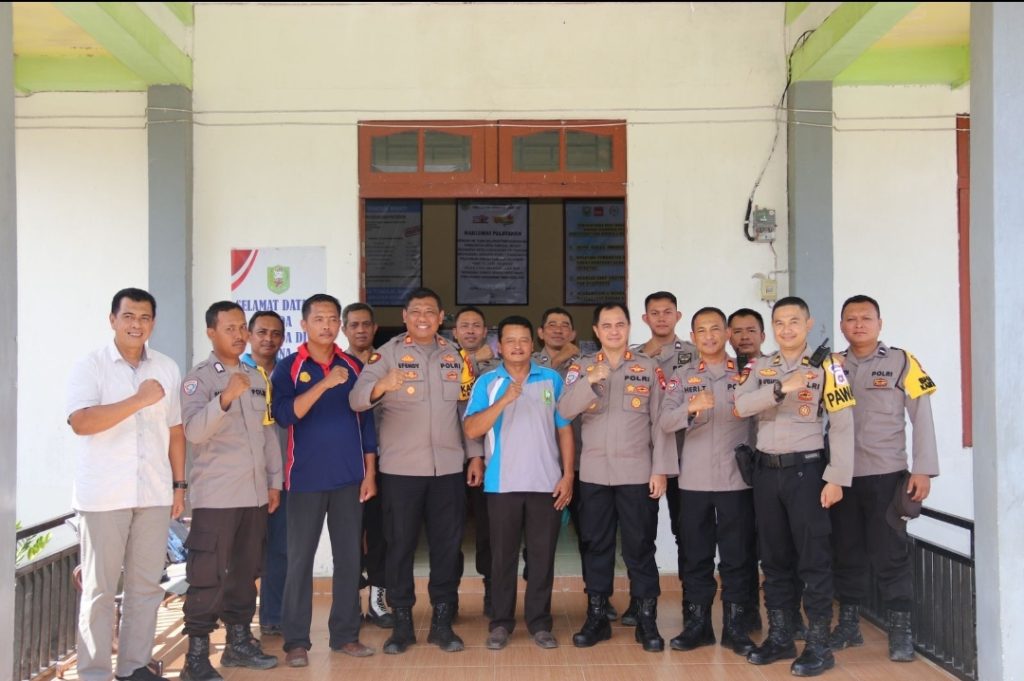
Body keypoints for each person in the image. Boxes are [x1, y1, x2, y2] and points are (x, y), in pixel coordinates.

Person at [350, 288, 483, 655]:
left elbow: (466, 410)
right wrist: (381, 384)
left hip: (448, 471)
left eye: (430, 312)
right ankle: (402, 624)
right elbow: (356, 400)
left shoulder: (456, 356)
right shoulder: (386, 354)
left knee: (447, 547)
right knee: (399, 547)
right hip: (401, 472)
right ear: (405, 316)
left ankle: (442, 622)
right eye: (416, 311)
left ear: (441, 318)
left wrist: (474, 455)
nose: (423, 317)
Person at [66, 288, 186, 681]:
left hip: (153, 492)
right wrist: (137, 400)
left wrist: (179, 486)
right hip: (104, 496)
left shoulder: (166, 366)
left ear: (153, 322)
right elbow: (81, 422)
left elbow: (175, 431)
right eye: (129, 316)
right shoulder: (91, 365)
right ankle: (95, 672)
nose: (137, 324)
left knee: (146, 586)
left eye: (145, 317)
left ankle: (134, 668)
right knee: (100, 590)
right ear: (112, 320)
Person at [734, 296, 854, 677]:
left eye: (794, 321)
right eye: (779, 323)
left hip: (808, 473)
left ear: (808, 324)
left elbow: (843, 424)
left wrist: (837, 477)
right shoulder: (761, 366)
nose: (786, 329)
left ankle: (818, 644)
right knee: (773, 559)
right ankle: (781, 636)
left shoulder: (828, 366)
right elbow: (740, 406)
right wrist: (780, 388)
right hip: (766, 473)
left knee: (813, 559)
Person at [559, 303, 677, 652]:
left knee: (640, 546)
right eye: (607, 325)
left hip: (637, 474)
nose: (614, 331)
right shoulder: (580, 367)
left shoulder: (649, 367)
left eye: (619, 324)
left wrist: (660, 469)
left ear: (628, 328)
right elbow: (563, 411)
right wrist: (589, 383)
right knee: (596, 545)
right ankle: (596, 616)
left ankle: (646, 618)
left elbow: (661, 423)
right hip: (594, 474)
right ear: (596, 331)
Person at [830, 295, 939, 662]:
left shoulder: (902, 361)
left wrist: (923, 468)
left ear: (880, 323)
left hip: (886, 475)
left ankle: (900, 631)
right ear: (842, 326)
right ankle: (849, 625)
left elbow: (922, 416)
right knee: (846, 552)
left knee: (890, 554)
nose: (858, 324)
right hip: (841, 477)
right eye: (851, 319)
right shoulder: (832, 365)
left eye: (866, 318)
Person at [271, 294, 378, 666]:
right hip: (304, 480)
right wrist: (325, 384)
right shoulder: (288, 367)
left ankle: (346, 635)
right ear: (304, 324)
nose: (327, 325)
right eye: (319, 319)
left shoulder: (353, 365)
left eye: (333, 319)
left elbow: (366, 422)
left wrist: (370, 472)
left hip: (349, 478)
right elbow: (286, 415)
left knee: (349, 558)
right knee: (299, 560)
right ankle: (296, 642)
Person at [179, 302, 283, 680]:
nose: (239, 335)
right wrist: (223, 399)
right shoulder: (200, 379)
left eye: (242, 328)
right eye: (230, 328)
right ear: (211, 332)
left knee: (245, 572)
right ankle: (196, 657)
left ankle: (238, 643)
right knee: (207, 575)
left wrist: (274, 482)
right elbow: (194, 432)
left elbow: (267, 433)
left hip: (254, 495)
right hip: (217, 497)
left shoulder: (256, 377)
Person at [464, 315, 575, 650]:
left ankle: (540, 623)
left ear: (532, 344)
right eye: (510, 340)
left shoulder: (552, 379)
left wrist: (568, 475)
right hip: (502, 484)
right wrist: (503, 401)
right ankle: (501, 623)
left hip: (546, 483)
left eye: (523, 340)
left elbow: (565, 430)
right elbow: (472, 429)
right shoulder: (488, 382)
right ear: (499, 346)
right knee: (502, 558)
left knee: (542, 558)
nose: (517, 346)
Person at [658, 307, 757, 656]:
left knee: (737, 557)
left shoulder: (748, 373)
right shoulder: (682, 377)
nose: (710, 336)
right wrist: (690, 407)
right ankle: (698, 626)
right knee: (696, 556)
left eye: (716, 329)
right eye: (702, 330)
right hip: (694, 481)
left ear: (728, 333)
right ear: (693, 337)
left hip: (737, 482)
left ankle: (735, 627)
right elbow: (664, 422)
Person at [631, 291, 697, 625]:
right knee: (640, 534)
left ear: (677, 316)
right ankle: (640, 602)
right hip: (646, 459)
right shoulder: (633, 357)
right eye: (654, 313)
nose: (661, 318)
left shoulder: (695, 353)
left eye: (667, 312)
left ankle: (692, 602)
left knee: (687, 533)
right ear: (645, 318)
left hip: (687, 458)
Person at [341, 302, 393, 628]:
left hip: (385, 461)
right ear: (344, 329)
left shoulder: (387, 362)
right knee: (347, 534)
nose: (360, 330)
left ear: (375, 328)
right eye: (354, 325)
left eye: (366, 325)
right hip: (345, 462)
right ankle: (349, 603)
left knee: (380, 533)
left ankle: (377, 600)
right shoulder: (336, 365)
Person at [242, 311, 289, 638]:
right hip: (243, 478)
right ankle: (238, 625)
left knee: (280, 549)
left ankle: (273, 616)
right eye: (262, 332)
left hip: (283, 477)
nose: (268, 339)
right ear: (249, 334)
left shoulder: (288, 373)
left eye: (275, 333)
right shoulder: (237, 372)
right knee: (243, 553)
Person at [451, 306, 495, 617]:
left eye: (476, 325)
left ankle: (493, 591)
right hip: (447, 459)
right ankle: (448, 598)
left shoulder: (500, 367)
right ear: (454, 332)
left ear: (485, 332)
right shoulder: (442, 362)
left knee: (489, 529)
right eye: (464, 325)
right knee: (449, 530)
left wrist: (477, 455)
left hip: (488, 459)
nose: (470, 330)